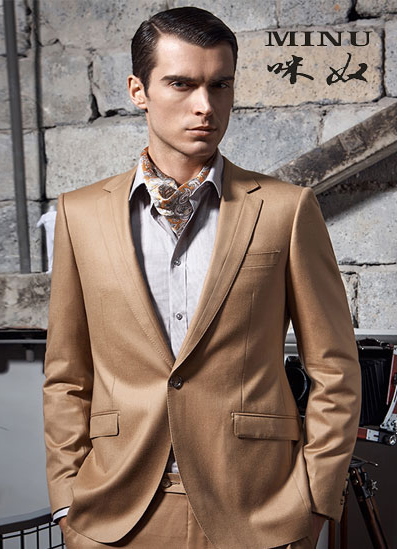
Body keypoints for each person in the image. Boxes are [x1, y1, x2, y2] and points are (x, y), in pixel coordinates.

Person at [43, 7, 361, 549]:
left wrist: (312, 500)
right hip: (115, 513)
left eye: (220, 85)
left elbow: (334, 367)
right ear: (138, 91)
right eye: (181, 84)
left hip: (257, 509)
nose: (205, 106)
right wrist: (67, 500)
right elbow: (66, 375)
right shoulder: (80, 214)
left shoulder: (286, 210)